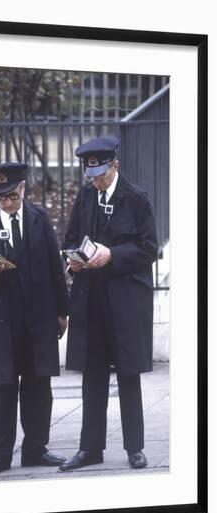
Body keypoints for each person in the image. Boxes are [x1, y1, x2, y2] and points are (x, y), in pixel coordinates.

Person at [0, 162, 68, 478]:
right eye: (0, 198)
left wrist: (62, 311)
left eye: (11, 196)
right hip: (0, 318)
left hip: (36, 316)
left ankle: (36, 448)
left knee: (38, 384)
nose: (6, 203)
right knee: (3, 385)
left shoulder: (39, 219)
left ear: (22, 189)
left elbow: (54, 266)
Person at [59, 136, 158, 472]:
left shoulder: (136, 198)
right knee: (92, 375)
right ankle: (91, 448)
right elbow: (71, 238)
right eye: (91, 176)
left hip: (125, 300)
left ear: (115, 165)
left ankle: (135, 447)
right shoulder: (86, 196)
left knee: (128, 374)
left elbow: (149, 249)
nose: (96, 181)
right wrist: (74, 259)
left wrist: (112, 255)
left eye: (101, 174)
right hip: (92, 300)